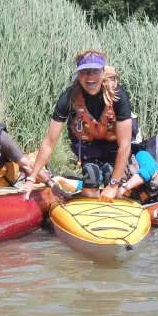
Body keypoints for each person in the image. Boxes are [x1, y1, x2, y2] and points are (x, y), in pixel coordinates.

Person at [24, 50, 133, 202]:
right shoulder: (69, 96)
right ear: (78, 75)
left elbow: (125, 144)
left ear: (103, 72)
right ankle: (89, 192)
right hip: (87, 144)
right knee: (91, 186)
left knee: (112, 179)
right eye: (84, 72)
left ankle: (118, 185)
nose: (90, 77)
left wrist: (113, 185)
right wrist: (31, 178)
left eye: (95, 71)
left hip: (114, 144)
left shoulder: (118, 95)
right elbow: (49, 141)